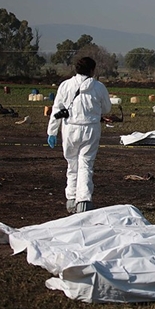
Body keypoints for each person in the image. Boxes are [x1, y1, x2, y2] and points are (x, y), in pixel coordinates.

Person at [47, 57, 112, 213]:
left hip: (69, 128)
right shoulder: (99, 87)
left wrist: (52, 131)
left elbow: (57, 110)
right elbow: (107, 109)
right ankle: (83, 200)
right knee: (86, 164)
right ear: (92, 70)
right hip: (90, 129)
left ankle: (71, 199)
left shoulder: (65, 85)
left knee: (72, 164)